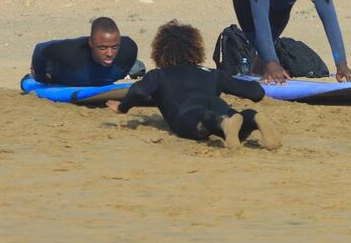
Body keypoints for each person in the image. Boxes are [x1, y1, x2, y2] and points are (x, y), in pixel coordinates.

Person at [108, 21, 280, 150]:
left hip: (190, 112)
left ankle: (224, 123)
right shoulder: (213, 74)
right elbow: (255, 92)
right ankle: (253, 117)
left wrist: (123, 107)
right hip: (217, 104)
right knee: (235, 121)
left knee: (202, 124)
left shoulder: (158, 75)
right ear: (195, 49)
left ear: (159, 51)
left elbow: (138, 91)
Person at [30, 17, 138, 86]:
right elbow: (39, 49)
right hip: (57, 70)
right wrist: (41, 80)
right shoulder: (70, 53)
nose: (110, 54)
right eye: (103, 48)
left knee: (138, 67)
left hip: (92, 69)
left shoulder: (129, 48)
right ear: (90, 43)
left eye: (114, 47)